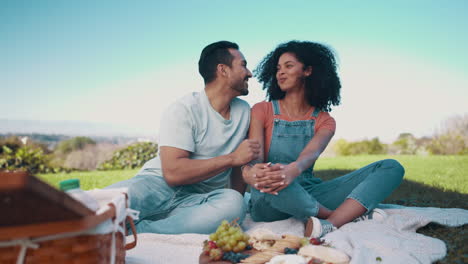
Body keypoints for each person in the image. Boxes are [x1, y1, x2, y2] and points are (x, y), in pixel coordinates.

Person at [242, 40, 405, 238]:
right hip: (269, 196)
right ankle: (341, 216)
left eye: (289, 66)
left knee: (391, 167)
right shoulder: (262, 110)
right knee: (273, 180)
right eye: (277, 68)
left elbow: (311, 153)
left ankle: (330, 223)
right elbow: (255, 159)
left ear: (308, 71)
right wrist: (257, 171)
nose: (280, 73)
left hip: (310, 190)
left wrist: (293, 169)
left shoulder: (324, 120)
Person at [106, 41, 260, 234]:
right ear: (223, 70)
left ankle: (140, 231)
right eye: (243, 65)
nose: (249, 73)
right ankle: (130, 225)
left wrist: (233, 212)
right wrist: (232, 158)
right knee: (107, 204)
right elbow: (173, 173)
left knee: (235, 205)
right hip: (157, 184)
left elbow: (240, 165)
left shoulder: (244, 111)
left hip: (202, 198)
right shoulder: (184, 109)